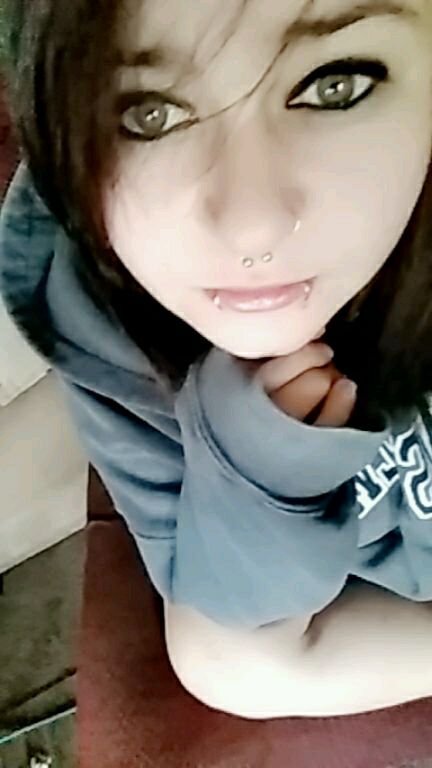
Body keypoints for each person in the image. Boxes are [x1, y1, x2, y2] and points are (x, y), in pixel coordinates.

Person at [1, 0, 432, 719]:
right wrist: (255, 474)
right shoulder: (95, 303)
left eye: (336, 84)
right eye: (149, 115)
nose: (251, 225)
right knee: (223, 661)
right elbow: (231, 604)